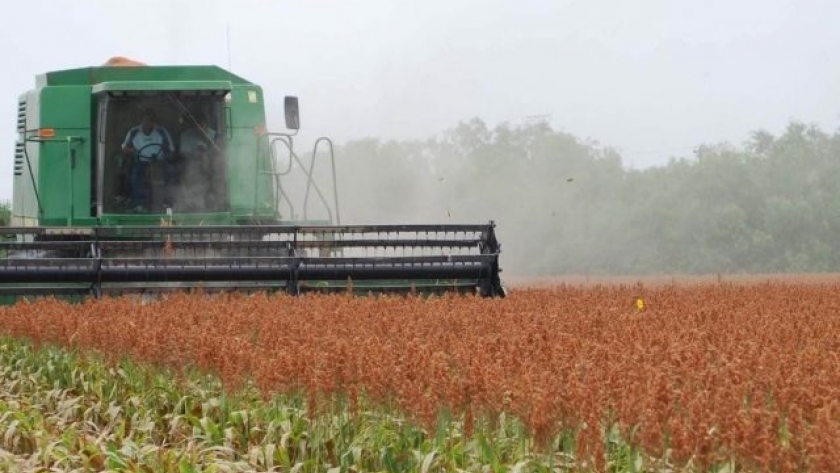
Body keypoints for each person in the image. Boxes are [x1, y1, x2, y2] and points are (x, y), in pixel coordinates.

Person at [121, 108, 175, 212]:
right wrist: (133, 151)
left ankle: (165, 202)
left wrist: (167, 155)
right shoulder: (134, 132)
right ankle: (139, 203)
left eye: (151, 120)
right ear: (141, 120)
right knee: (135, 176)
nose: (148, 122)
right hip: (140, 162)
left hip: (159, 162)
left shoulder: (162, 132)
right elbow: (124, 148)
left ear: (154, 121)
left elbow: (171, 150)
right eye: (146, 119)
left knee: (169, 172)